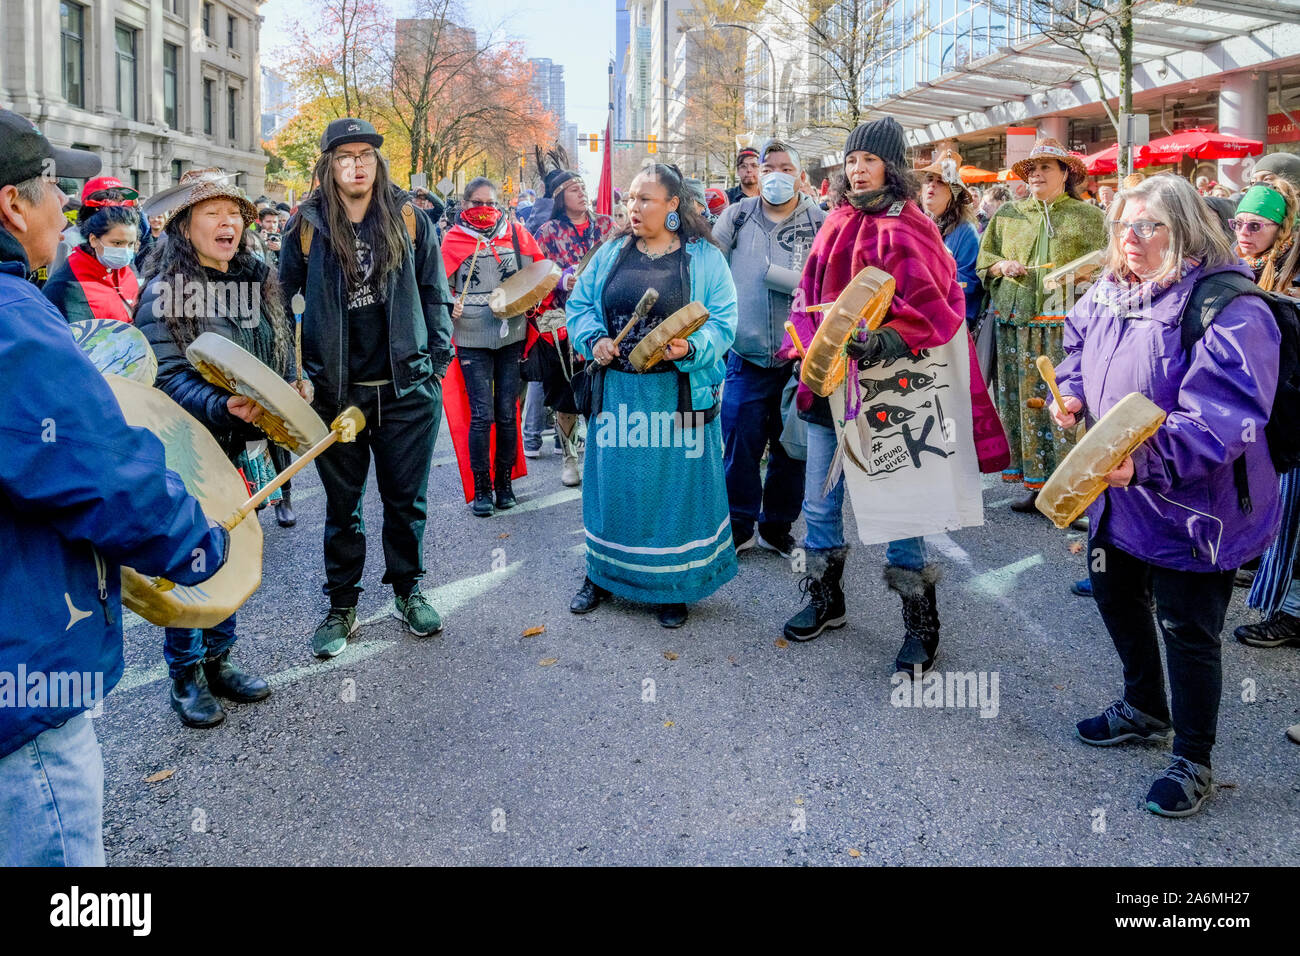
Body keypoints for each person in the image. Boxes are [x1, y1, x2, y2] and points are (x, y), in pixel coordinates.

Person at [0, 111, 227, 864]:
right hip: (22, 676)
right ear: (11, 206)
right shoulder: (12, 319)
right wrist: (196, 541)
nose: (64, 207)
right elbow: (93, 465)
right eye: (52, 189)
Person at [1053, 173, 1281, 817]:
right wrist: (1067, 392)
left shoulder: (1229, 305)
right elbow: (1076, 347)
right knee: (1114, 593)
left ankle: (1193, 756)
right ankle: (1144, 706)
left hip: (1196, 504)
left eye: (1148, 225)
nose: (1130, 237)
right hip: (1116, 491)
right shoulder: (1109, 289)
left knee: (1186, 627)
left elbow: (1228, 413)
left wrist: (1148, 457)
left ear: (1184, 229)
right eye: (1122, 223)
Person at [778, 117, 1008, 671]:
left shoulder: (912, 225)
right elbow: (807, 296)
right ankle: (825, 599)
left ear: (891, 166)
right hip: (830, 385)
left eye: (869, 160)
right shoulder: (833, 221)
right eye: (851, 159)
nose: (857, 169)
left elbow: (942, 303)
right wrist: (813, 351)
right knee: (818, 504)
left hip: (892, 387)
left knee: (901, 509)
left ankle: (919, 624)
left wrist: (887, 337)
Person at [279, 117, 454, 659]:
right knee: (343, 506)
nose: (356, 164)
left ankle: (408, 590)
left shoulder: (410, 219)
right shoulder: (304, 228)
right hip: (337, 394)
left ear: (378, 162)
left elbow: (435, 294)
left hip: (407, 389)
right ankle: (342, 604)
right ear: (328, 166)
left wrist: (436, 364)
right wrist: (298, 372)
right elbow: (284, 307)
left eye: (365, 155)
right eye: (343, 156)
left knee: (406, 503)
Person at [134, 169, 293, 728]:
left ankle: (221, 659)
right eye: (212, 214)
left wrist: (293, 385)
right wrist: (220, 406)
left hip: (243, 446)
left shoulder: (258, 278)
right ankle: (185, 673)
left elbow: (272, 355)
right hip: (189, 447)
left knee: (233, 548)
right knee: (192, 558)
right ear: (183, 225)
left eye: (235, 214)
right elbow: (164, 375)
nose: (228, 224)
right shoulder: (164, 292)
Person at [566, 163, 739, 629]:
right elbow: (579, 305)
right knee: (612, 487)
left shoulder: (704, 258)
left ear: (672, 205)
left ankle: (673, 583)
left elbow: (724, 320)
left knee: (674, 492)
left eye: (645, 199)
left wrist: (692, 347)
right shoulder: (612, 252)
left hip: (677, 394)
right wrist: (594, 338)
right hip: (617, 393)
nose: (634, 208)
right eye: (630, 199)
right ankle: (602, 574)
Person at [977, 137, 1106, 511]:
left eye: (1046, 167)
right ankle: (1037, 485)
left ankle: (1074, 489)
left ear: (1066, 174)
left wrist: (1079, 276)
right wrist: (1003, 267)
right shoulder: (1008, 215)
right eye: (1032, 169)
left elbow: (1105, 267)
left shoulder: (1089, 216)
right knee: (1023, 405)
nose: (1036, 174)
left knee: (1065, 404)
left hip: (1064, 327)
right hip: (1015, 324)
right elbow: (985, 262)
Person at [712, 137, 825, 558]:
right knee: (739, 441)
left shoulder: (819, 221)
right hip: (745, 354)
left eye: (785, 167)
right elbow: (709, 265)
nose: (776, 175)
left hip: (800, 358)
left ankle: (776, 526)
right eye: (768, 166)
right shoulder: (736, 217)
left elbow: (834, 278)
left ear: (800, 175)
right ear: (757, 172)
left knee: (790, 447)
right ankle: (738, 523)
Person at [441, 177, 542, 515]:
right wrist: (449, 302)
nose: (483, 210)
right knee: (482, 415)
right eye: (476, 203)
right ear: (464, 205)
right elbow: (437, 288)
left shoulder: (516, 235)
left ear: (499, 204)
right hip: (470, 337)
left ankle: (504, 484)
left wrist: (532, 303)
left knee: (507, 414)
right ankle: (482, 486)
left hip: (510, 335)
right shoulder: (452, 241)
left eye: (490, 203)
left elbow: (539, 277)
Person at [1229, 179, 1300, 658]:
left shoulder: (1294, 270)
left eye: (1256, 225)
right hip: (1271, 401)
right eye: (1239, 223)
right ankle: (1256, 556)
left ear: (1282, 228)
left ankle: (1292, 612)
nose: (1244, 232)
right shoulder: (1246, 263)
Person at [532, 173, 614, 487]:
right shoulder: (548, 232)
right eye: (574, 190)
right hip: (562, 325)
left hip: (603, 321)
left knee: (600, 394)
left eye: (583, 187)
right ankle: (569, 458)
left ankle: (597, 456)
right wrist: (562, 279)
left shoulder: (606, 226)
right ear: (559, 197)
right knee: (566, 396)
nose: (582, 193)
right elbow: (537, 274)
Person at [42, 200, 141, 324]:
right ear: (93, 240)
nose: (125, 251)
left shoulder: (125, 271)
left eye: (130, 244)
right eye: (117, 243)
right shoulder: (67, 284)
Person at [919, 148, 981, 327]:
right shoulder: (914, 225)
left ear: (953, 193)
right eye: (929, 180)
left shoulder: (966, 231)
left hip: (953, 321)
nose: (932, 185)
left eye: (941, 181)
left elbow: (969, 283)